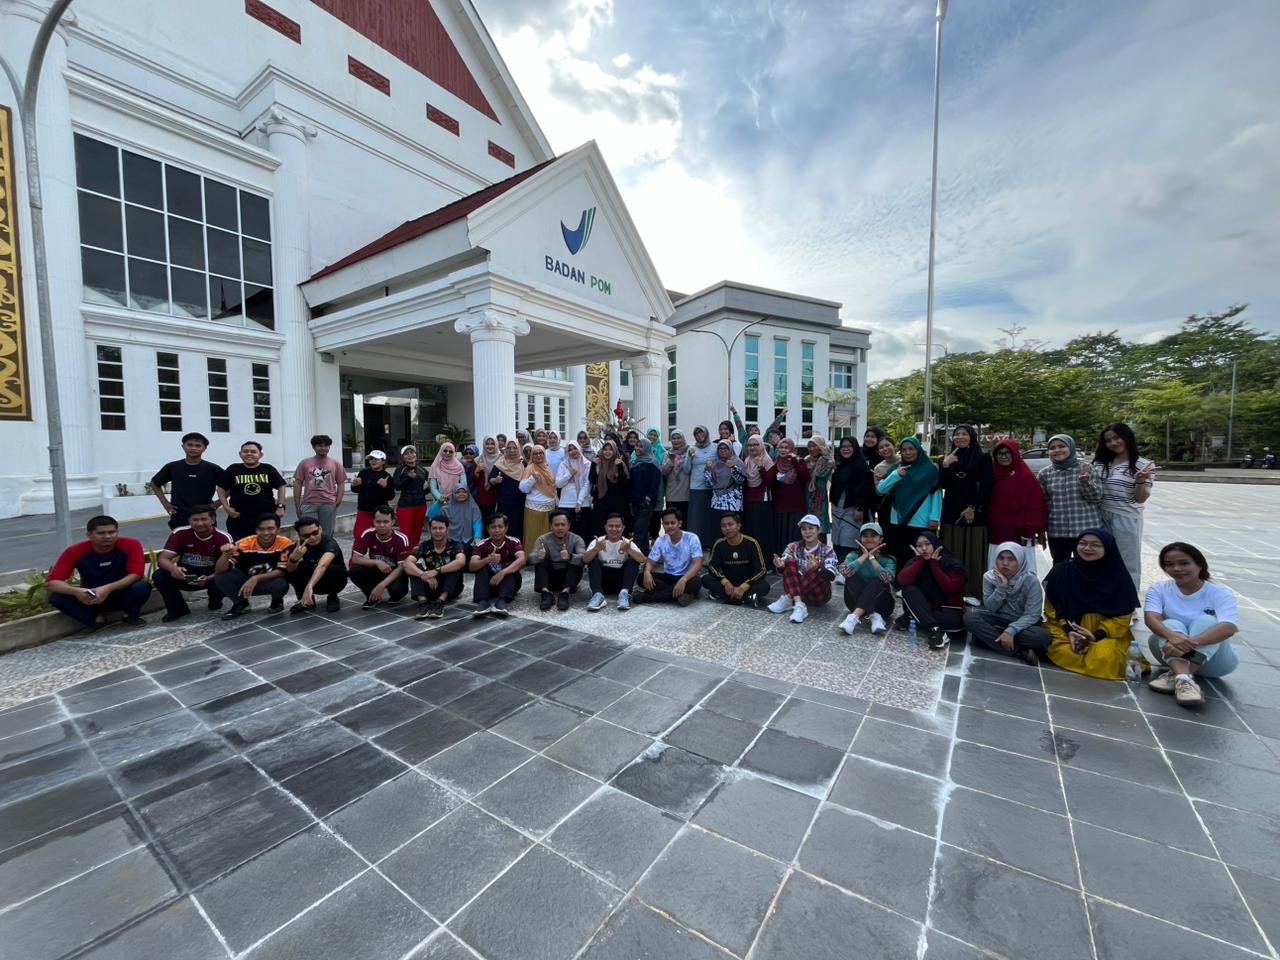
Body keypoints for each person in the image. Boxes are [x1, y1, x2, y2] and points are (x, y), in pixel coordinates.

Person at [1143, 542, 1240, 706]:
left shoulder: (1220, 592)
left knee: (1207, 621)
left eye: (1184, 563)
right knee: (1170, 624)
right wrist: (1172, 636)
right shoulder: (1159, 589)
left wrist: (1187, 643)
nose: (1176, 568)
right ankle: (1184, 679)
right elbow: (1150, 618)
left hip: (1215, 661)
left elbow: (1229, 628)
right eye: (1169, 564)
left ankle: (1176, 676)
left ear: (1200, 564)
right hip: (1169, 653)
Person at [1043, 528, 1139, 680]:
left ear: (1108, 548)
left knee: (1103, 657)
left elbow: (1122, 617)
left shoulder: (1118, 576)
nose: (1087, 548)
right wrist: (1069, 630)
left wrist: (1096, 635)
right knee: (1059, 648)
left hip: (1104, 631)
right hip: (1066, 627)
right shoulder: (1062, 570)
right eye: (1083, 543)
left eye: (1096, 545)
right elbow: (1052, 608)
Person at [46, 516, 151, 631]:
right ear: (89, 535)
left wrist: (108, 588)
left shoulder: (131, 544)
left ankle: (131, 615)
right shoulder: (74, 551)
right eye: (101, 533)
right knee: (57, 598)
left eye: (111, 532)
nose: (107, 536)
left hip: (120, 591)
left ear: (117, 532)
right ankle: (95, 620)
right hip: (90, 597)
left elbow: (136, 574)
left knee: (142, 587)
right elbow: (52, 582)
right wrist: (77, 591)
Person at [1092, 422, 1155, 594]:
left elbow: (1141, 498)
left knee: (1128, 562)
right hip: (1099, 516)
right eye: (1108, 440)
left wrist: (1140, 481)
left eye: (1117, 438)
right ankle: (1102, 597)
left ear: (1127, 437)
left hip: (1125, 518)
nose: (1113, 443)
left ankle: (1127, 602)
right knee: (1100, 559)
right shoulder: (1100, 463)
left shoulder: (1143, 464)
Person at [963, 541, 1050, 666]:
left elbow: (1032, 614)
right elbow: (990, 608)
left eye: (1011, 559)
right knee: (969, 618)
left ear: (1020, 561)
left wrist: (1011, 630)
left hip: (1023, 625)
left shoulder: (1031, 581)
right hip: (998, 619)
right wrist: (1002, 588)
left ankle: (989, 639)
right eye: (1001, 558)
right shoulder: (989, 577)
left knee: (1042, 637)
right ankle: (1020, 651)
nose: (1005, 563)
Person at [153, 504, 231, 622]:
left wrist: (210, 577)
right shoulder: (179, 533)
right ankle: (178, 609)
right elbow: (162, 559)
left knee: (227, 574)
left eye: (204, 519)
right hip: (188, 576)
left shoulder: (223, 537)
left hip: (211, 577)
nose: (199, 523)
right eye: (195, 520)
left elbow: (227, 566)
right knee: (159, 575)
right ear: (189, 521)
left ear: (213, 520)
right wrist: (174, 569)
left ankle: (216, 600)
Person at [938, 425, 991, 594]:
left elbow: (987, 486)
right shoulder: (948, 458)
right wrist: (945, 465)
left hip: (974, 513)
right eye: (956, 434)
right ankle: (950, 589)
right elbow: (942, 484)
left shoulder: (983, 458)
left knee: (973, 551)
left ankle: (973, 590)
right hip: (951, 511)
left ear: (972, 437)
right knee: (951, 549)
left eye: (964, 434)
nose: (959, 437)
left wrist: (972, 507)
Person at [876, 437, 941, 572]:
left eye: (911, 449)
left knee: (922, 556)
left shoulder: (930, 469)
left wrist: (934, 517)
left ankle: (921, 583)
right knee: (900, 556)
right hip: (898, 520)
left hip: (921, 521)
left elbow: (936, 494)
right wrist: (896, 475)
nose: (908, 452)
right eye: (904, 450)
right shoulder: (896, 469)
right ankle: (901, 581)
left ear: (918, 450)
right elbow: (881, 489)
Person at [1038, 435, 1104, 565]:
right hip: (1057, 531)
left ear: (1071, 448)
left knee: (1088, 567)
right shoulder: (1044, 474)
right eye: (1052, 448)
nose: (1057, 450)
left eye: (1062, 446)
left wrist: (1085, 482)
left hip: (1086, 530)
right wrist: (1041, 529)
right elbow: (1043, 505)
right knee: (1060, 567)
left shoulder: (1086, 468)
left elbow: (1096, 497)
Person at [896, 530, 967, 649]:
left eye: (928, 544)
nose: (924, 548)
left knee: (951, 621)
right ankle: (936, 630)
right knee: (908, 590)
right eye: (919, 545)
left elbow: (950, 589)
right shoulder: (916, 561)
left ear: (935, 543)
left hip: (948, 611)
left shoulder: (952, 563)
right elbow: (902, 581)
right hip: (927, 608)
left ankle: (914, 618)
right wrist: (919, 561)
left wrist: (934, 564)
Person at [213, 513, 293, 618]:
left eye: (270, 529)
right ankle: (241, 604)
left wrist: (256, 578)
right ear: (256, 530)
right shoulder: (243, 543)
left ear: (278, 530)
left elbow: (282, 570)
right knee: (220, 576)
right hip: (246, 583)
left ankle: (277, 600)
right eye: (261, 529)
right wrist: (225, 554)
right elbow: (220, 570)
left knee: (281, 582)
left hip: (270, 582)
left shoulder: (285, 543)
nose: (266, 533)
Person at [767, 515, 837, 623]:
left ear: (819, 530)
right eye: (804, 529)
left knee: (815, 567)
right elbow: (784, 569)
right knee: (789, 561)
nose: (807, 532)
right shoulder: (793, 546)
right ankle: (799, 605)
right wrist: (780, 565)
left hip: (818, 595)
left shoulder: (827, 551)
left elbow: (831, 576)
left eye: (811, 528)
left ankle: (788, 598)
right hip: (798, 593)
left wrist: (818, 568)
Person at [986, 440, 1046, 566]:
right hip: (997, 529)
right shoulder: (991, 473)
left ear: (1015, 454)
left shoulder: (1025, 475)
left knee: (1021, 568)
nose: (1004, 456)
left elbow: (1035, 505)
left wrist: (1031, 530)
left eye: (1008, 453)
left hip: (1021, 532)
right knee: (997, 566)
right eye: (1000, 453)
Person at [217, 441, 287, 541]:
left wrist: (280, 506)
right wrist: (226, 507)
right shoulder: (233, 469)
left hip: (266, 516)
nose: (249, 454)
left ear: (260, 454)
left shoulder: (268, 469)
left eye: (253, 452)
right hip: (239, 517)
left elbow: (281, 486)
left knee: (267, 542)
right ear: (240, 454)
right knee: (240, 544)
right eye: (245, 451)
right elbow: (221, 488)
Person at [152, 433, 222, 530]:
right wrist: (166, 504)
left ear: (204, 448)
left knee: (206, 539)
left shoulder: (213, 468)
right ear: (183, 446)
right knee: (180, 540)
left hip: (205, 516)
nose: (193, 448)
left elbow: (229, 485)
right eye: (190, 445)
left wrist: (218, 503)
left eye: (198, 445)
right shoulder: (173, 467)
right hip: (179, 515)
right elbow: (154, 483)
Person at [837, 521, 896, 635]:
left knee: (878, 580)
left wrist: (872, 558)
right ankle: (871, 615)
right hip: (854, 602)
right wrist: (864, 556)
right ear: (860, 539)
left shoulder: (889, 559)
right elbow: (845, 572)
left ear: (881, 539)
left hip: (882, 606)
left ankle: (854, 617)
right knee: (852, 576)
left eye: (873, 536)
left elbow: (887, 579)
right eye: (865, 536)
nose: (869, 539)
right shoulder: (853, 555)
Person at [635, 507, 703, 606]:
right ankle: (681, 594)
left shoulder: (692, 538)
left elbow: (698, 564)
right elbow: (650, 562)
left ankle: (647, 597)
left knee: (696, 582)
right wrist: (647, 572)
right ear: (663, 525)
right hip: (668, 577)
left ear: (679, 523)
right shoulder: (661, 540)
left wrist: (683, 580)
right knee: (641, 578)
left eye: (673, 523)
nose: (670, 526)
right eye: (666, 523)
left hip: (687, 577)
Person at [403, 516, 468, 619]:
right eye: (434, 528)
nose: (437, 531)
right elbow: (407, 563)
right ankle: (423, 602)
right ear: (430, 530)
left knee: (455, 566)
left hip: (451, 589)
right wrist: (422, 574)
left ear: (447, 529)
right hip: (431, 586)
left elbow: (461, 561)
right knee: (414, 567)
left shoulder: (455, 545)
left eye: (441, 528)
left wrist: (436, 571)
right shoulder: (425, 545)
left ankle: (440, 602)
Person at [702, 512, 770, 607]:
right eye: (723, 526)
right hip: (728, 582)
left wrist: (743, 587)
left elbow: (761, 570)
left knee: (765, 586)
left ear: (738, 526)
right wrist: (725, 582)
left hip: (747, 582)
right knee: (706, 579)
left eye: (730, 524)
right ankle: (746, 598)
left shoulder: (752, 543)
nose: (727, 528)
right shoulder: (719, 544)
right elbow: (712, 567)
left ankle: (727, 596)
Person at [349, 505, 411, 608]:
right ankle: (372, 597)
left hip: (395, 573)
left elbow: (401, 567)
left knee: (397, 593)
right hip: (377, 570)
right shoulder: (367, 534)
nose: (382, 525)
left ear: (392, 522)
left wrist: (381, 585)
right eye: (378, 522)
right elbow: (355, 559)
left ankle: (390, 592)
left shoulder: (402, 539)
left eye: (386, 522)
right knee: (354, 570)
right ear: (373, 521)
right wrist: (377, 562)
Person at [284, 516, 348, 614]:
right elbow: (290, 570)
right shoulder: (299, 546)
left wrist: (309, 585)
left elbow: (323, 565)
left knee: (332, 569)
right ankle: (306, 600)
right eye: (306, 535)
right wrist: (294, 559)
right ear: (300, 535)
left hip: (335, 581)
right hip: (313, 583)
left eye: (315, 533)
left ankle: (332, 597)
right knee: (292, 569)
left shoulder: (329, 542)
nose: (312, 537)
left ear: (320, 529)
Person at [468, 513, 526, 616]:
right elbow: (472, 566)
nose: (497, 530)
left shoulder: (514, 542)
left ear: (506, 528)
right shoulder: (481, 544)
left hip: (510, 584)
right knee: (481, 567)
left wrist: (502, 572)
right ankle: (483, 602)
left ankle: (502, 601)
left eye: (500, 527)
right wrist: (487, 559)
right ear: (488, 529)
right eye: (493, 527)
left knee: (511, 567)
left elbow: (522, 559)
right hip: (489, 585)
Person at [530, 511, 587, 611]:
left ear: (569, 525)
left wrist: (570, 557)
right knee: (540, 562)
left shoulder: (577, 539)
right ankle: (546, 593)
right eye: (556, 525)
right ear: (551, 526)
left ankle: (564, 594)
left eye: (563, 524)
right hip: (549, 578)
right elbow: (530, 558)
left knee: (575, 563)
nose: (560, 528)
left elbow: (584, 558)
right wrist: (539, 557)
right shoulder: (542, 539)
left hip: (568, 578)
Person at [828, 437, 873, 561]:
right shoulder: (840, 465)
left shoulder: (861, 466)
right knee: (836, 539)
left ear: (855, 448)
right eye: (843, 447)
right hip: (837, 508)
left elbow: (865, 489)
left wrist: (860, 508)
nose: (846, 449)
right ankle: (838, 567)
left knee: (848, 540)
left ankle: (848, 567)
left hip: (852, 509)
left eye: (849, 446)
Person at [293, 434, 347, 538]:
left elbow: (341, 483)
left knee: (327, 535)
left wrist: (338, 500)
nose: (323, 448)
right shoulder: (304, 463)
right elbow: (298, 483)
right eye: (320, 446)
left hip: (328, 503)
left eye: (326, 446)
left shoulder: (336, 464)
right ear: (313, 447)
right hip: (308, 502)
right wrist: (297, 504)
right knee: (308, 533)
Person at [768, 438, 811, 555]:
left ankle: (796, 560)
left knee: (795, 536)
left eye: (786, 448)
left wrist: (795, 461)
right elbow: (771, 484)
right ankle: (782, 561)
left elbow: (806, 477)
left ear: (792, 449)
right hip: (780, 507)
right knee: (781, 537)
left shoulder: (799, 461)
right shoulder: (776, 463)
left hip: (796, 507)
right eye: (781, 447)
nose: (783, 450)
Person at [740, 434, 775, 559]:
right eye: (750, 445)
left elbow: (769, 482)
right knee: (750, 531)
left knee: (762, 533)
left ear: (761, 445)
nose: (752, 447)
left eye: (755, 444)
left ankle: (764, 559)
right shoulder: (747, 461)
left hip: (762, 501)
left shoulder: (767, 461)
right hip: (749, 501)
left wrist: (760, 467)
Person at [519, 444, 559, 547]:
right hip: (535, 509)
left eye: (541, 453)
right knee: (535, 537)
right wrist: (532, 479)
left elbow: (552, 486)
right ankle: (533, 556)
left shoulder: (547, 467)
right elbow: (523, 488)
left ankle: (546, 556)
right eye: (535, 453)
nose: (538, 455)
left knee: (548, 538)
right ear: (532, 456)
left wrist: (556, 502)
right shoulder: (530, 468)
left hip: (550, 508)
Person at [488, 439, 528, 543]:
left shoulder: (523, 464)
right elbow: (490, 479)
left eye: (515, 448)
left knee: (517, 527)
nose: (512, 450)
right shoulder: (500, 463)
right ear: (505, 449)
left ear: (518, 449)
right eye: (509, 448)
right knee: (503, 527)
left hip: (519, 503)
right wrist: (495, 480)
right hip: (504, 502)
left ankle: (517, 550)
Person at [589, 439, 631, 535]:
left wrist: (619, 466)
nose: (607, 452)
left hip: (617, 504)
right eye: (605, 449)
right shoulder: (599, 464)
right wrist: (593, 465)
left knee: (616, 530)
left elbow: (625, 483)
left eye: (610, 449)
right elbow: (592, 479)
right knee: (600, 530)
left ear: (615, 450)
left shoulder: (620, 463)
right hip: (601, 502)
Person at [350, 450, 393, 542]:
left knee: (380, 536)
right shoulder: (363, 473)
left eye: (376, 459)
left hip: (380, 512)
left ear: (383, 461)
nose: (373, 461)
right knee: (359, 535)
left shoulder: (387, 476)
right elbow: (355, 490)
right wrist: (354, 485)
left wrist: (385, 486)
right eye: (371, 459)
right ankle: (357, 552)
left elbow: (391, 496)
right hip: (363, 510)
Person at [629, 438, 663, 553]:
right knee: (642, 531)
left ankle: (635, 557)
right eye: (636, 446)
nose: (637, 448)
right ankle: (645, 555)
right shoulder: (634, 463)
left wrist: (648, 499)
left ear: (647, 448)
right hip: (635, 501)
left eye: (641, 446)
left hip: (647, 502)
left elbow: (655, 484)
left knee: (639, 530)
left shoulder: (653, 463)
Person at [556, 439, 594, 541]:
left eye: (575, 448)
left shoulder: (587, 464)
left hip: (583, 504)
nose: (573, 451)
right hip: (566, 504)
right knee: (566, 535)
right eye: (570, 450)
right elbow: (558, 484)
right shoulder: (563, 465)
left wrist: (579, 502)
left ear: (579, 449)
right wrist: (569, 474)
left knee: (582, 534)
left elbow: (587, 484)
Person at [706, 439, 745, 536]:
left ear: (730, 449)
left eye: (726, 448)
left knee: (732, 530)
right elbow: (709, 484)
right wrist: (708, 471)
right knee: (718, 530)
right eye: (720, 448)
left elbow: (741, 481)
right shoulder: (715, 463)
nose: (723, 451)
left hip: (732, 502)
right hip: (717, 502)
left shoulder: (737, 462)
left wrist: (733, 468)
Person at [391, 444, 427, 548]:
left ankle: (413, 555)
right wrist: (408, 477)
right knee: (405, 534)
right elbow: (397, 486)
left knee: (417, 533)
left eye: (412, 452)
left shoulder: (421, 469)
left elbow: (432, 482)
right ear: (403, 457)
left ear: (415, 454)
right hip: (405, 506)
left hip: (421, 505)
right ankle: (404, 554)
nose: (410, 455)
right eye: (407, 454)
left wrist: (423, 493)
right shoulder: (400, 469)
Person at [686, 425, 717, 548]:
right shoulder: (692, 449)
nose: (699, 436)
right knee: (696, 518)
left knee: (709, 518)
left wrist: (712, 468)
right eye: (696, 434)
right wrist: (689, 456)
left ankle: (709, 544)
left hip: (711, 487)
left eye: (701, 433)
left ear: (706, 433)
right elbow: (686, 469)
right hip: (696, 488)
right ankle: (695, 545)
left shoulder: (715, 447)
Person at [660, 430, 693, 532]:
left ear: (683, 439)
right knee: (671, 523)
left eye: (678, 438)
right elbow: (663, 471)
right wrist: (671, 461)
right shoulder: (668, 453)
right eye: (674, 438)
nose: (676, 440)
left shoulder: (689, 451)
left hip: (685, 494)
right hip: (672, 494)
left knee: (684, 523)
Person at [804, 436, 835, 538]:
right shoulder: (806, 460)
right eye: (809, 446)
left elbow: (820, 473)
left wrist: (825, 455)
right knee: (807, 526)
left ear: (821, 446)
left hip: (819, 497)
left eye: (814, 446)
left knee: (819, 526)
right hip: (807, 496)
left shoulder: (827, 460)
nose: (811, 449)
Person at [871, 435, 900, 529]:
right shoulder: (878, 467)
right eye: (881, 447)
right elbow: (878, 492)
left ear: (894, 446)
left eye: (887, 445)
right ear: (879, 452)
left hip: (906, 502)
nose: (885, 449)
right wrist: (883, 481)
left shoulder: (905, 461)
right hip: (888, 505)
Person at [474, 437, 501, 528]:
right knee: (485, 522)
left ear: (496, 445)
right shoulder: (478, 460)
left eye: (492, 444)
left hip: (498, 495)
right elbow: (474, 481)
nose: (490, 446)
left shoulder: (502, 459)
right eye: (487, 443)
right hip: (484, 496)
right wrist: (477, 471)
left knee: (498, 522)